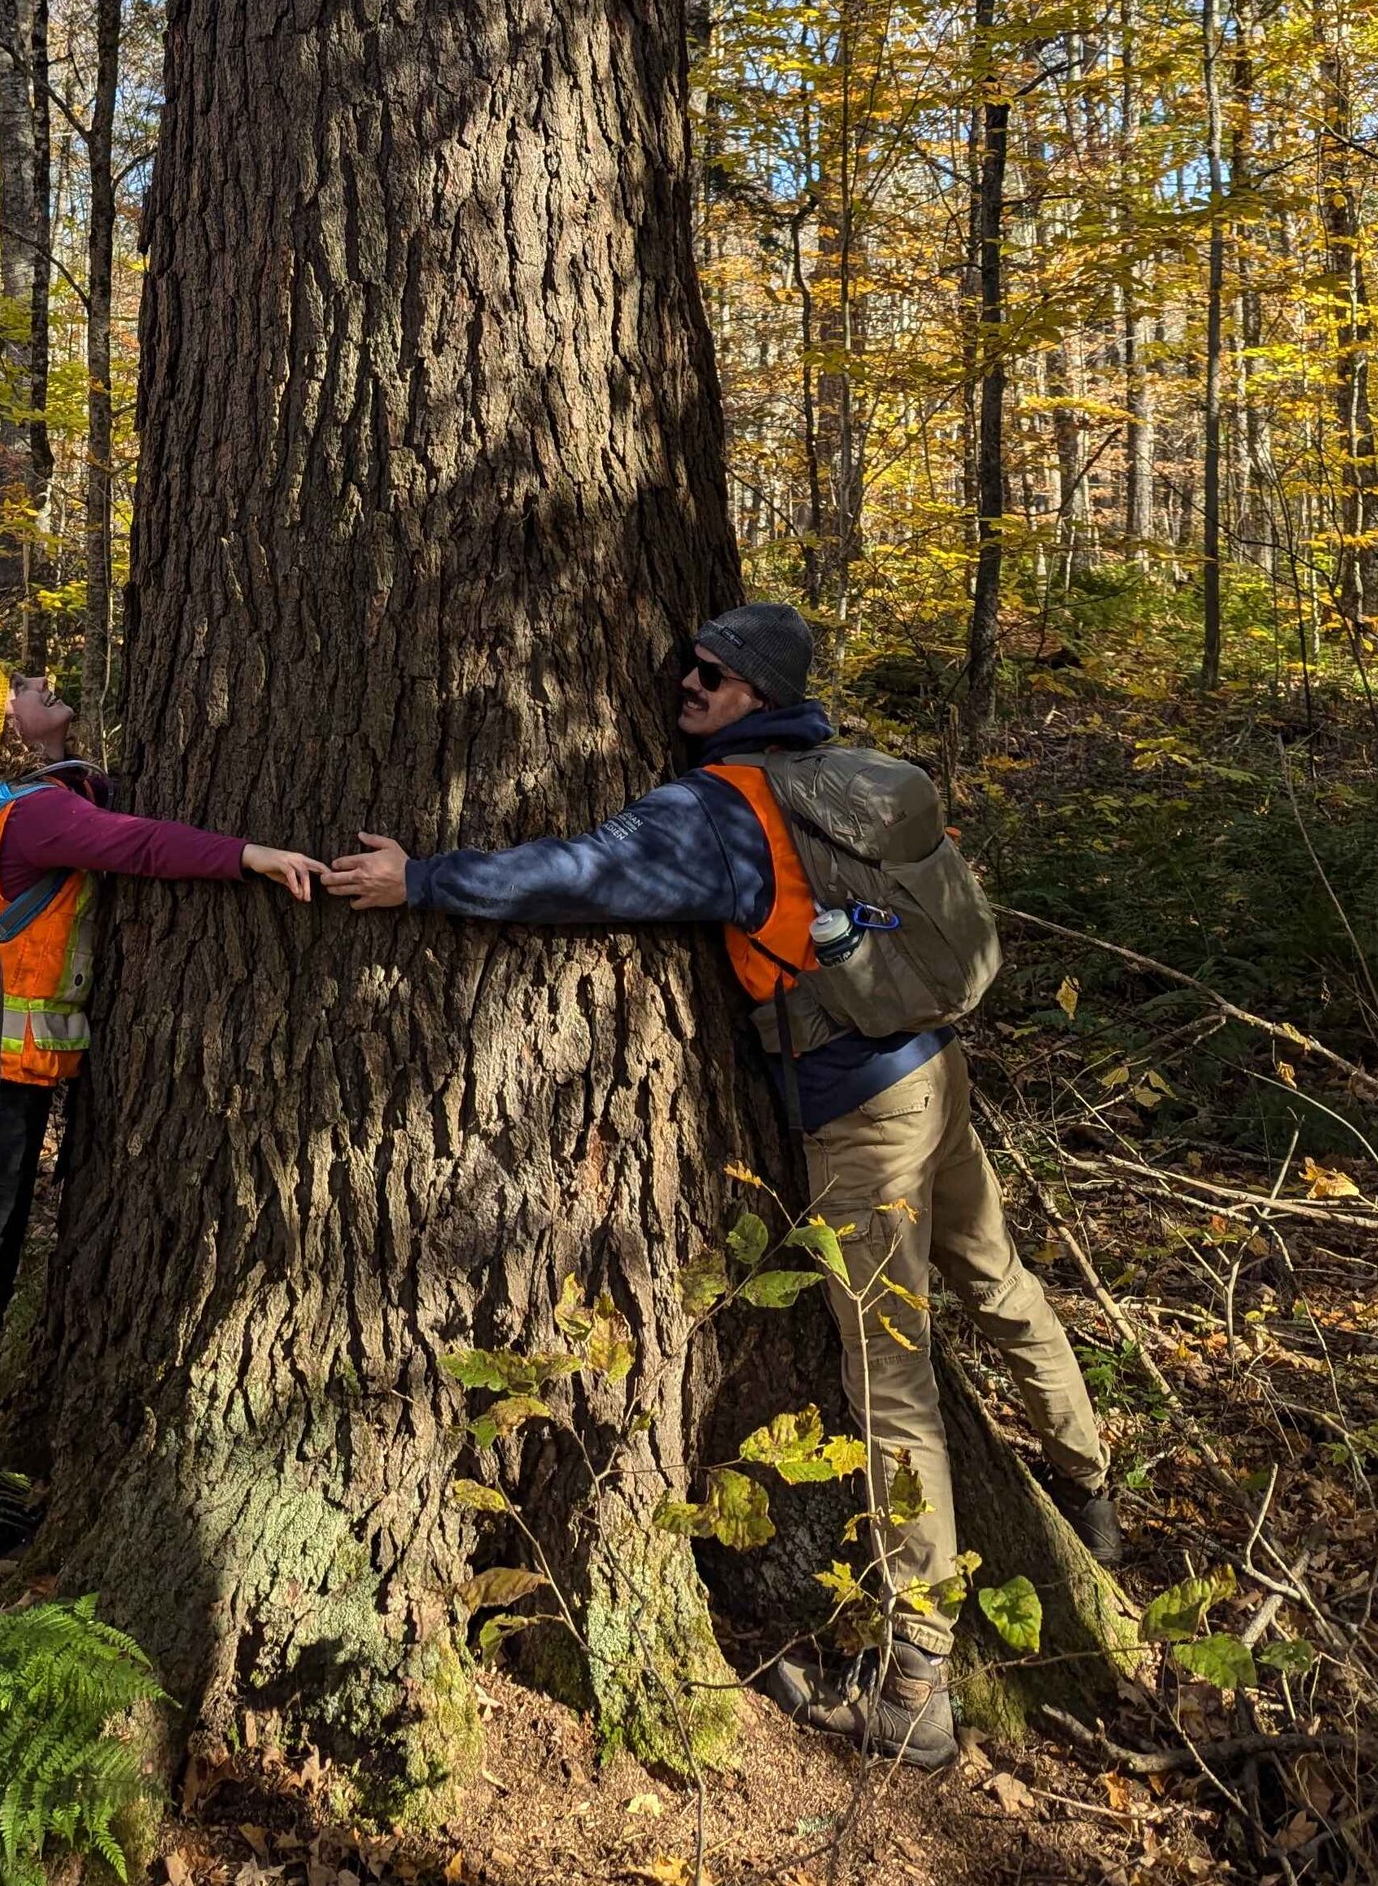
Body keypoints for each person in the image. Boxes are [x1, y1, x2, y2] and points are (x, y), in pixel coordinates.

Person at [323, 599, 1117, 1772]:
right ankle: (1088, 1493)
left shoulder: (727, 806)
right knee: (997, 1282)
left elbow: (586, 874)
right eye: (689, 663)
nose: (685, 680)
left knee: (887, 1380)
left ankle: (915, 1681)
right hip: (932, 1073)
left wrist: (423, 878)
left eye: (709, 670)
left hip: (858, 1112)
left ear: (751, 692)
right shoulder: (842, 777)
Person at [0, 658, 322, 1542]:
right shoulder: (42, 814)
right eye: (21, 684)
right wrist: (251, 855)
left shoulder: (23, 800)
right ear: (11, 725)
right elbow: (139, 844)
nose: (42, 679)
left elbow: (113, 811)